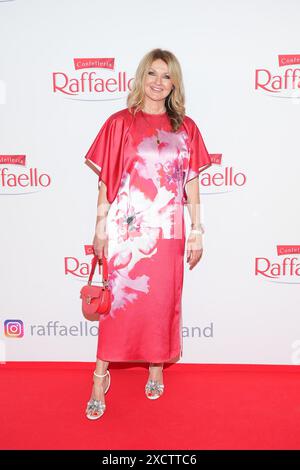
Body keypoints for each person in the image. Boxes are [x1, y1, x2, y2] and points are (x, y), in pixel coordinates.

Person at [84, 48, 212, 420]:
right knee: (118, 306)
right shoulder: (119, 122)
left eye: (166, 76)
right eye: (152, 74)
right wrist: (99, 226)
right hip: (126, 228)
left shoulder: (185, 127)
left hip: (170, 229)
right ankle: (98, 377)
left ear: (175, 83)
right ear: (141, 78)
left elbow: (192, 184)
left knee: (159, 302)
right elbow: (106, 183)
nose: (158, 82)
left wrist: (198, 230)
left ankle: (156, 365)